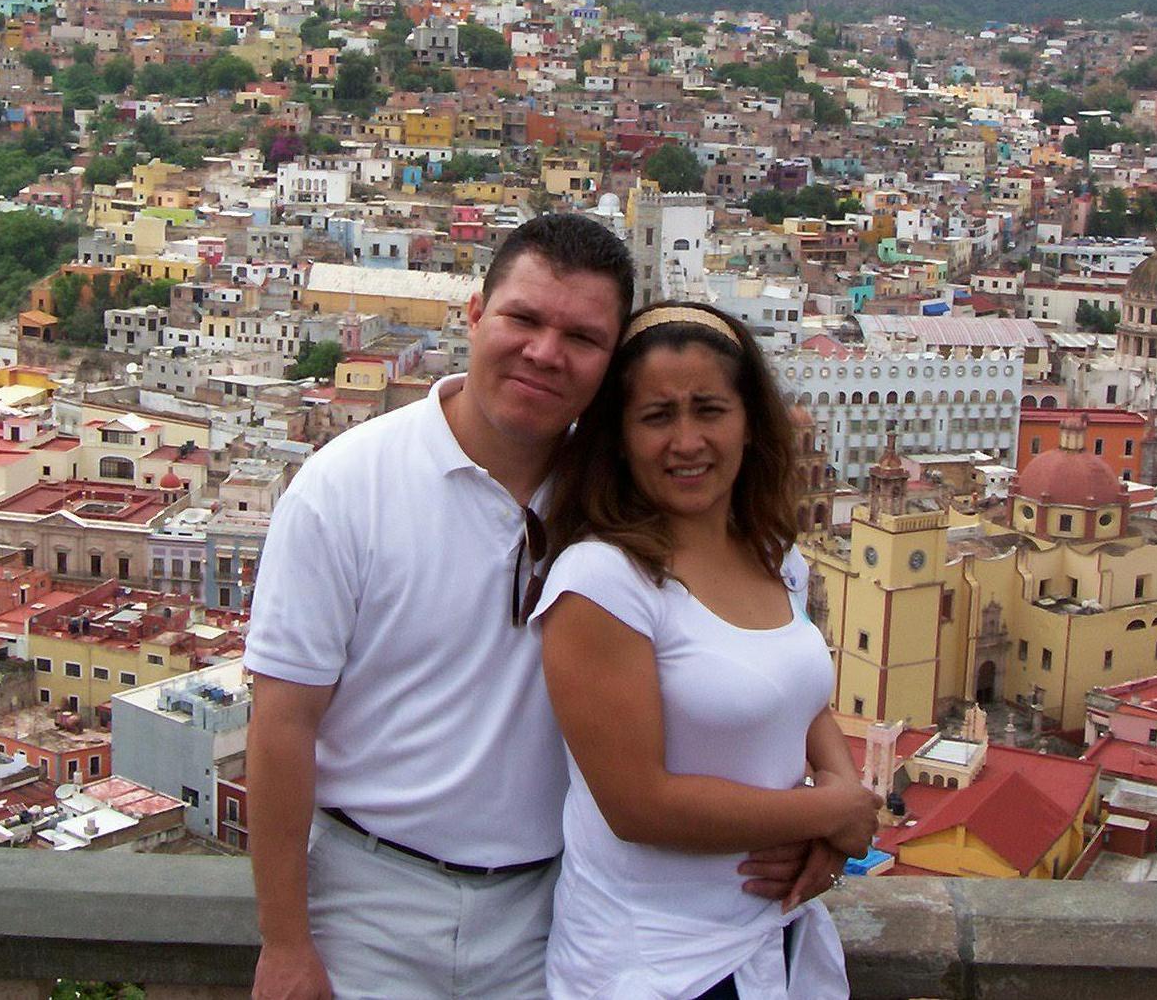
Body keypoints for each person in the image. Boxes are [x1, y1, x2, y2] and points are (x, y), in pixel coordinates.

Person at [244, 215, 814, 1000]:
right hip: (371, 899)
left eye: (580, 336)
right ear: (474, 315)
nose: (545, 352)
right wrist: (283, 940)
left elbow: (750, 652)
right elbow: (281, 724)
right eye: (523, 318)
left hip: (553, 906)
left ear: (608, 363)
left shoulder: (623, 501)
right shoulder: (345, 488)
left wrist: (813, 813)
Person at [534, 301, 881, 999]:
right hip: (656, 967)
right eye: (657, 415)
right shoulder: (602, 580)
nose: (686, 440)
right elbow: (638, 805)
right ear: (620, 437)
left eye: (709, 410)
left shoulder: (773, 556)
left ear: (750, 424)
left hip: (771, 943)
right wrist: (831, 812)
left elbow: (796, 697)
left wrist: (841, 799)